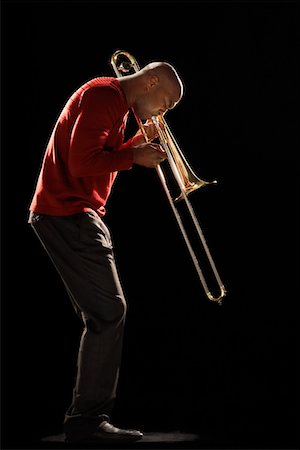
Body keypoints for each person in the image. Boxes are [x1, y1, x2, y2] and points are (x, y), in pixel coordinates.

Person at [28, 59, 184, 443]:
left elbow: (99, 156)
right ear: (149, 82)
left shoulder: (112, 101)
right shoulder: (104, 97)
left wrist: (133, 144)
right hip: (69, 214)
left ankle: (86, 419)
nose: (162, 114)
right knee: (108, 312)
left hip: (70, 213)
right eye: (164, 104)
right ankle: (86, 421)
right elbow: (83, 163)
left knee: (103, 313)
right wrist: (134, 157)